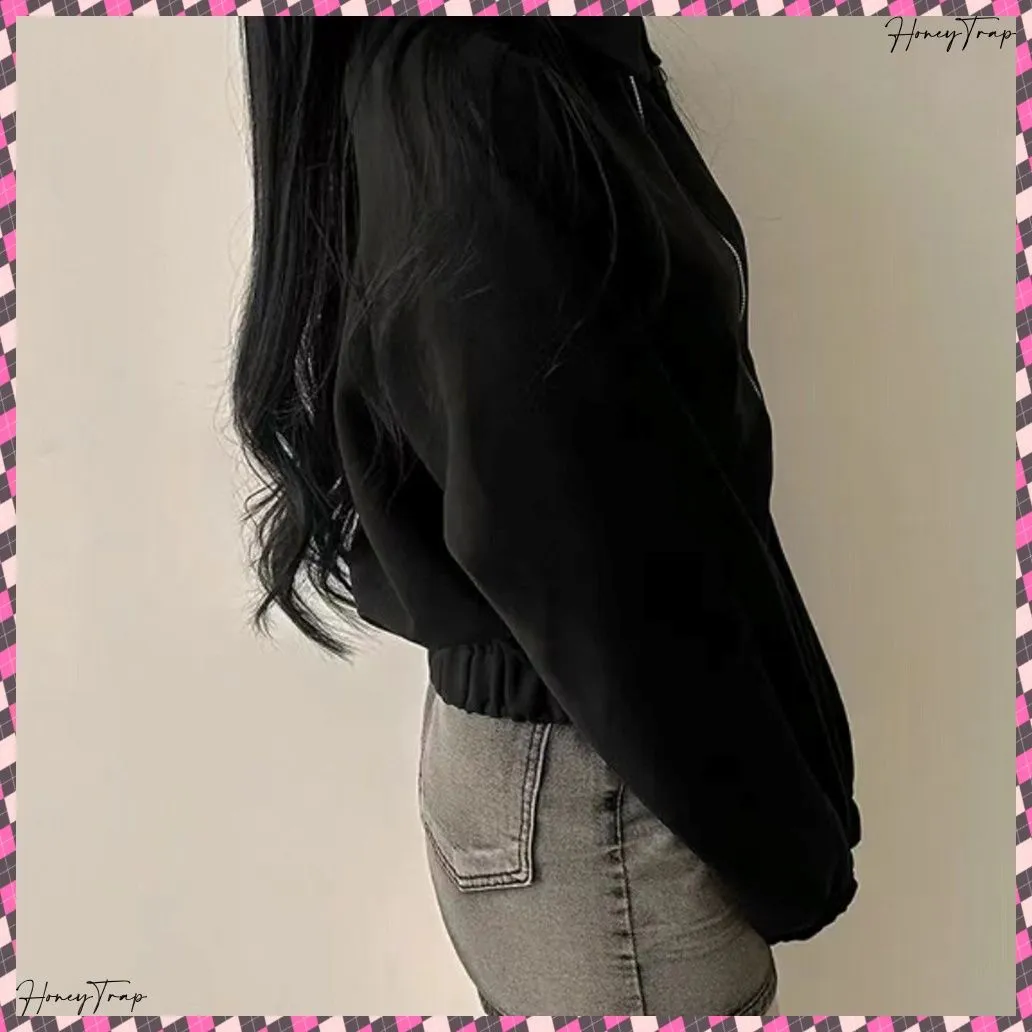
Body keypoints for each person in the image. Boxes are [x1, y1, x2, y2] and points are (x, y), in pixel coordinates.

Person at [232, 17, 861, 1016]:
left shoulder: (533, 70)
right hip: (603, 781)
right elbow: (583, 555)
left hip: (589, 768)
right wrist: (779, 840)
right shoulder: (469, 91)